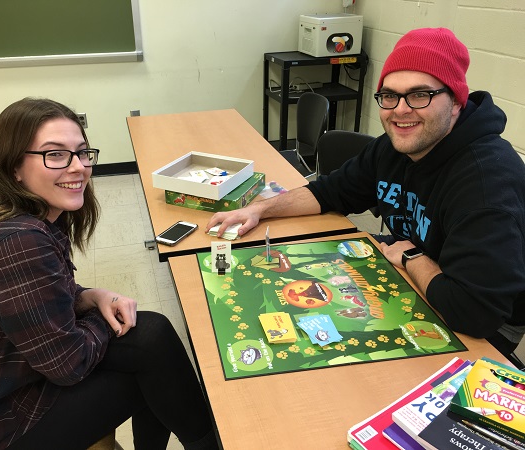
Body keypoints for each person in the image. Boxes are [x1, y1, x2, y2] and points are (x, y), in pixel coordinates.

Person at [207, 27, 525, 362]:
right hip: (414, 277)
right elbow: (331, 192)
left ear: (457, 101)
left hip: (483, 328)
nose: (400, 110)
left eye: (420, 95)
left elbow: (474, 313)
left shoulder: (488, 183)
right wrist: (261, 210)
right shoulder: (393, 147)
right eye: (389, 95)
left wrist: (411, 258)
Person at [0, 98, 218, 450]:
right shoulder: (17, 240)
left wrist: (90, 296)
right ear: (14, 166)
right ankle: (210, 443)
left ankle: (205, 441)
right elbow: (68, 364)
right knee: (152, 366)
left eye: (82, 153)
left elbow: (35, 294)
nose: (77, 167)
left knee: (151, 339)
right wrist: (99, 318)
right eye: (55, 155)